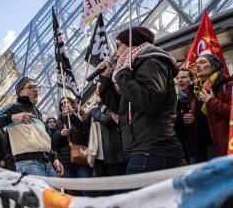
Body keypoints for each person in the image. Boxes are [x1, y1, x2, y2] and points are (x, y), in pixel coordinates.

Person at [98, 27, 184, 174]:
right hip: (144, 149)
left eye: (118, 45)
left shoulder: (151, 62)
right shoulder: (135, 68)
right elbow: (120, 108)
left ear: (133, 44)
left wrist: (122, 76)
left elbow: (150, 101)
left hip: (153, 149)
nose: (115, 53)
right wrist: (106, 81)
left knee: (135, 197)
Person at [0, 77, 63, 177]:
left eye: (36, 87)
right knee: (39, 193)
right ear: (20, 92)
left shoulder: (37, 112)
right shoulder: (13, 108)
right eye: (30, 87)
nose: (35, 89)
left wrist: (54, 158)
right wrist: (13, 117)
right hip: (28, 163)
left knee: (53, 193)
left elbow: (45, 139)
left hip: (48, 163)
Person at [194, 51, 232, 157]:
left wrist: (211, 101)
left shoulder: (228, 86)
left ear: (214, 66)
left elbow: (231, 112)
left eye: (202, 62)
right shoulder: (200, 90)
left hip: (229, 146)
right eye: (196, 64)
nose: (197, 66)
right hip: (213, 147)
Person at [52, 97, 91, 194]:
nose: (65, 105)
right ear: (60, 108)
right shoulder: (59, 122)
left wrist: (73, 116)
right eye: (62, 104)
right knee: (71, 192)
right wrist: (60, 134)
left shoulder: (80, 116)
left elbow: (85, 132)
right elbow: (54, 144)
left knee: (86, 188)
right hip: (66, 162)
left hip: (81, 157)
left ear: (72, 104)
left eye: (67, 102)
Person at [174, 68, 210, 163]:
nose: (180, 80)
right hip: (185, 149)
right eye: (177, 78)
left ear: (192, 79)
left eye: (183, 77)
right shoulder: (174, 101)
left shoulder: (201, 95)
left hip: (205, 147)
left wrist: (196, 119)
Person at [89, 101, 126, 176]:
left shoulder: (112, 105)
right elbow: (82, 126)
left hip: (114, 156)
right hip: (98, 157)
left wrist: (93, 111)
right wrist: (72, 115)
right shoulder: (96, 109)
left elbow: (107, 120)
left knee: (117, 184)